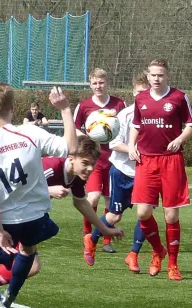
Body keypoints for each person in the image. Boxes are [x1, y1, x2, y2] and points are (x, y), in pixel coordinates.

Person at [0, 135, 124, 308]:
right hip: (9, 216)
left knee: (32, 266)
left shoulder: (77, 175)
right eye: (85, 163)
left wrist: (104, 228)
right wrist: (48, 190)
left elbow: (81, 202)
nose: (90, 168)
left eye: (93, 164)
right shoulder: (50, 167)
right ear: (70, 157)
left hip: (29, 217)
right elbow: (16, 187)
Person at [0, 83, 79, 308]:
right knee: (28, 250)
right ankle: (9, 299)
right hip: (36, 217)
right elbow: (70, 148)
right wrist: (64, 109)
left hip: (6, 218)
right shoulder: (29, 133)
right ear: (13, 108)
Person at [128, 59, 192, 281]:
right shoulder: (141, 99)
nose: (157, 79)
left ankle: (173, 265)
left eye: (161, 75)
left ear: (167, 76)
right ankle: (158, 250)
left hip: (171, 160)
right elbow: (135, 126)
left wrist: (179, 139)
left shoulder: (179, 97)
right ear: (147, 76)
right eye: (153, 75)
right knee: (142, 212)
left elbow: (191, 126)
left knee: (171, 214)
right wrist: (131, 146)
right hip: (146, 161)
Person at [83, 72, 150, 270]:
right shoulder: (124, 115)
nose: (141, 97)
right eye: (138, 93)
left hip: (147, 173)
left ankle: (133, 255)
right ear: (133, 92)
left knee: (144, 214)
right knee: (114, 216)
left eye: (145, 93)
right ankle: (92, 240)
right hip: (122, 171)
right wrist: (131, 149)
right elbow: (113, 143)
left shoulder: (155, 116)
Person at [74, 68, 126, 253]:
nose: (98, 86)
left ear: (107, 83)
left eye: (101, 82)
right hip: (93, 161)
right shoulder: (84, 105)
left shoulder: (119, 104)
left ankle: (106, 240)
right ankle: (87, 232)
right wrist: (89, 139)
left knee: (109, 201)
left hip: (114, 160)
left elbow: (125, 127)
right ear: (90, 84)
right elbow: (74, 129)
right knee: (93, 196)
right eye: (95, 83)